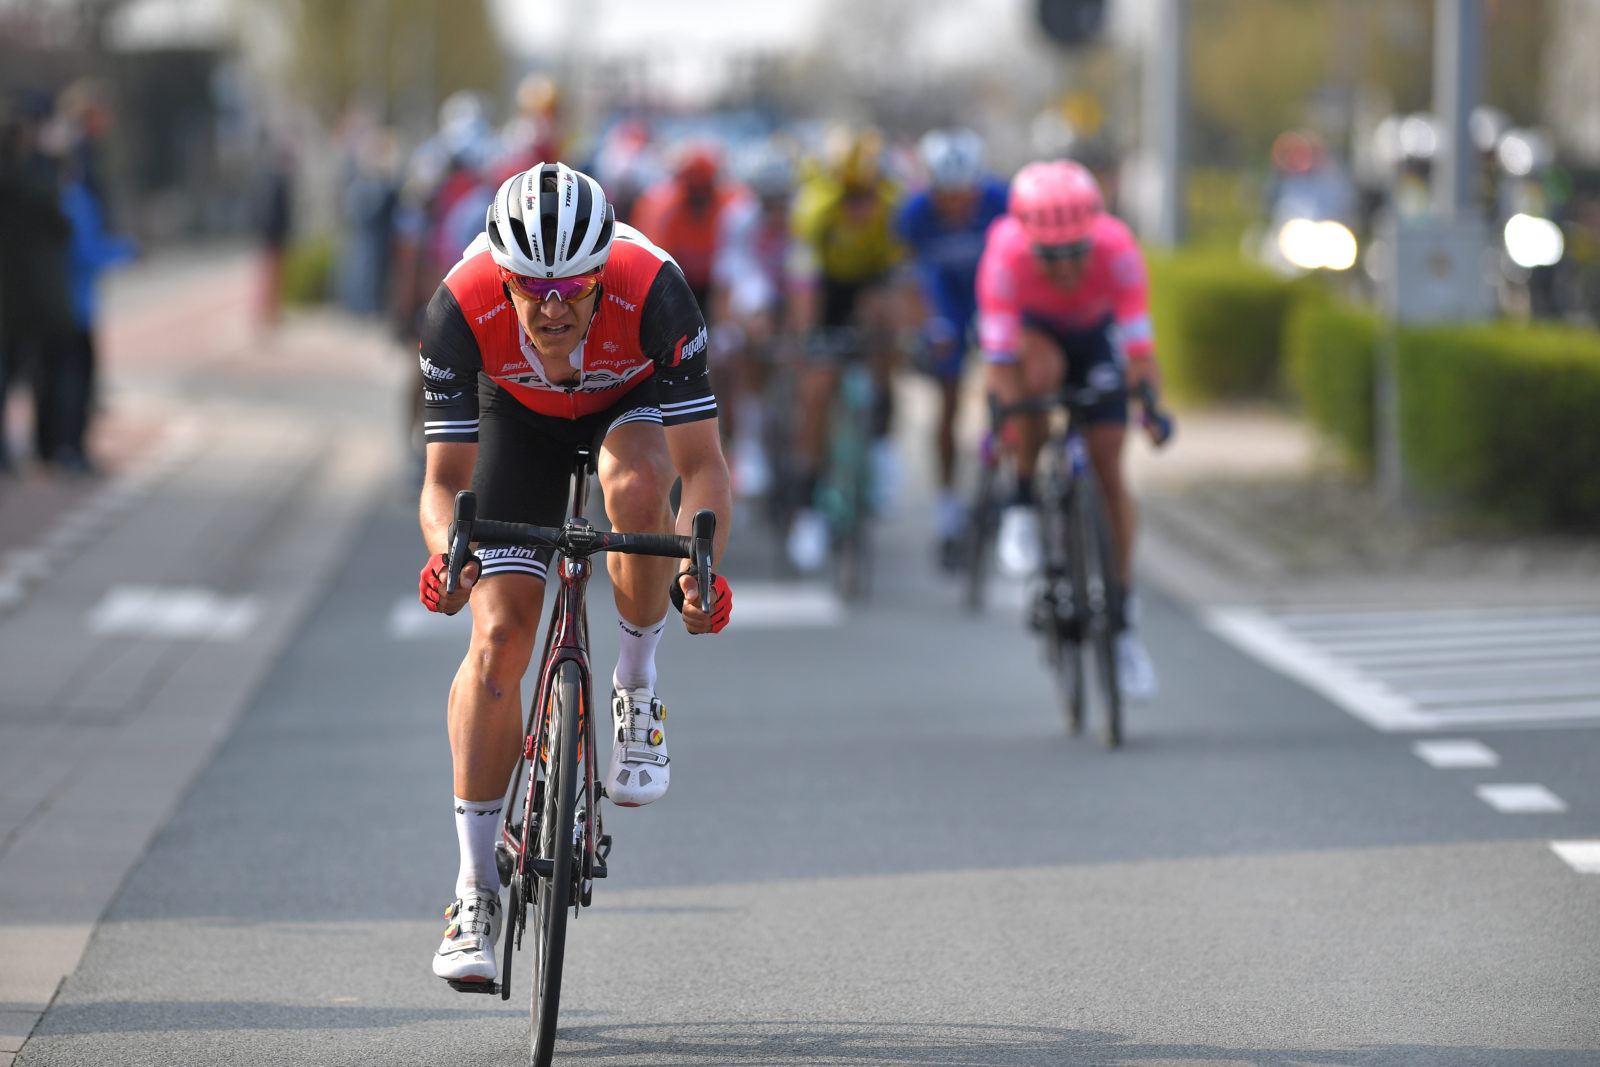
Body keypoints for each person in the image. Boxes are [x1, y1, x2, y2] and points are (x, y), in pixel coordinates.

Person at [414, 163, 733, 988]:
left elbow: (702, 467)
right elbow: (444, 483)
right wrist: (450, 555)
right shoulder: (459, 305)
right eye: (532, 288)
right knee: (498, 638)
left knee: (638, 486)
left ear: (602, 274)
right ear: (503, 277)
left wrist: (700, 571)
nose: (553, 308)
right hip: (516, 421)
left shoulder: (655, 290)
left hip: (626, 407)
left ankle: (635, 682)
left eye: (574, 289)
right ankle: (475, 889)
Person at [975, 159, 1164, 700]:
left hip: (1093, 335)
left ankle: (1122, 622)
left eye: (1075, 252)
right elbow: (999, 363)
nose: (1064, 268)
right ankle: (1022, 500)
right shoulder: (1005, 254)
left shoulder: (1118, 248)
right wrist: (1007, 421)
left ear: (1093, 235)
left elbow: (1140, 351)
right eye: (1050, 255)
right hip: (1036, 337)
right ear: (1027, 241)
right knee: (1037, 377)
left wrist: (1150, 409)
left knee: (1109, 460)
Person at [783, 126, 906, 571]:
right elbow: (803, 282)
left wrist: (902, 334)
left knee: (885, 323)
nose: (859, 206)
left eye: (865, 195)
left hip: (867, 285)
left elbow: (900, 282)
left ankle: (882, 438)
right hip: (825, 289)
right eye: (850, 197)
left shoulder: (891, 206)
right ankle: (807, 509)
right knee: (817, 389)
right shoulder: (816, 208)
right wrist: (808, 336)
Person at [896, 128, 1009, 567]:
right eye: (947, 195)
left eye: (964, 194)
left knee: (1005, 389)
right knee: (948, 400)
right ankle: (947, 505)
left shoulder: (1000, 201)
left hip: (991, 294)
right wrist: (924, 323)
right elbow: (906, 277)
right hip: (943, 301)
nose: (957, 204)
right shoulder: (915, 213)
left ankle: (1002, 470)